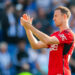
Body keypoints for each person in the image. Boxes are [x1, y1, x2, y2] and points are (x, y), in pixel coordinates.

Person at [20, 6, 74, 75]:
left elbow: (48, 40)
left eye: (56, 16)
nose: (53, 18)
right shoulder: (55, 34)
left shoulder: (69, 34)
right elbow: (35, 45)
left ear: (64, 16)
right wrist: (27, 29)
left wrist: (30, 26)